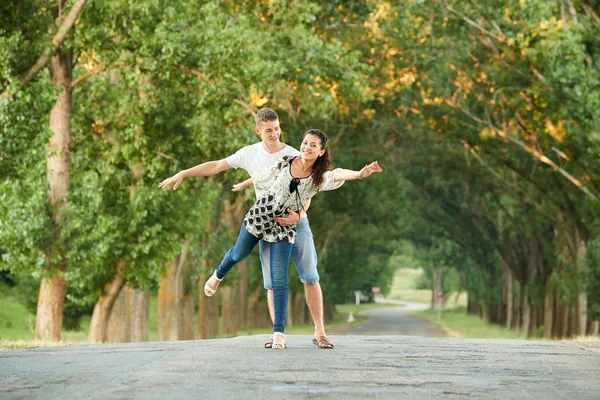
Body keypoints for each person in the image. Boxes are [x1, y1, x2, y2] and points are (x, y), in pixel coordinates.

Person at [159, 109, 329, 349]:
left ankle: (319, 332)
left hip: (297, 222)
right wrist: (185, 173)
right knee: (273, 280)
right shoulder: (248, 153)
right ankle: (277, 333)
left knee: (310, 276)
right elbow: (217, 166)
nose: (274, 133)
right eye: (269, 130)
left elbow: (308, 192)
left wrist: (298, 215)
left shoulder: (294, 152)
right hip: (267, 221)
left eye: (277, 128)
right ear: (258, 130)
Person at [202, 129, 382, 349]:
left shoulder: (318, 177)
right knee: (239, 253)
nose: (307, 147)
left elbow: (338, 174)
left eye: (313, 145)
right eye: (305, 143)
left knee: (279, 278)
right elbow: (264, 175)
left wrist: (361, 173)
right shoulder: (286, 160)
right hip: (262, 214)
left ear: (321, 151)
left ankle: (279, 333)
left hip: (284, 225)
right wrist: (245, 184)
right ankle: (217, 275)